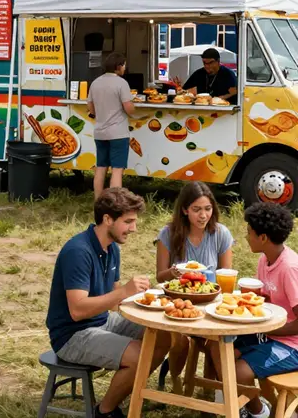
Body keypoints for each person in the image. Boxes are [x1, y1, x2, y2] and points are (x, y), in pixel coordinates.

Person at [47, 188, 170, 418]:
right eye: (128, 221)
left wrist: (151, 296)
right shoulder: (78, 251)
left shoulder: (111, 248)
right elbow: (77, 310)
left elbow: (115, 302)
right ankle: (105, 411)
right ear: (107, 219)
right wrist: (124, 291)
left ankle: (130, 393)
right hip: (72, 335)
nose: (134, 228)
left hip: (103, 321)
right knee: (139, 355)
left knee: (164, 334)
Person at [211, 202, 298, 418]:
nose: (246, 237)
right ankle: (253, 408)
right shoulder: (264, 260)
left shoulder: (290, 268)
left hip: (292, 345)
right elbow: (263, 302)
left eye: (249, 232)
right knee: (217, 346)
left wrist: (267, 328)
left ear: (263, 238)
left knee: (239, 370)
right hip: (268, 333)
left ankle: (256, 411)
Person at [155, 182, 233, 383]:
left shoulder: (220, 233)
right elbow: (159, 276)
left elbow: (226, 275)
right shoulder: (169, 234)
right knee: (180, 342)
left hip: (210, 302)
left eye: (207, 209)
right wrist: (173, 272)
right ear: (184, 210)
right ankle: (175, 380)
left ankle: (210, 392)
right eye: (196, 210)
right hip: (179, 301)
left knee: (216, 343)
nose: (203, 215)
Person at [87, 52, 135, 199]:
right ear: (119, 66)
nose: (125, 68)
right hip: (118, 133)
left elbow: (91, 107)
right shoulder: (121, 83)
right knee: (117, 170)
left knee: (100, 168)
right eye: (124, 65)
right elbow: (129, 108)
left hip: (100, 132)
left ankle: (98, 202)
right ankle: (115, 203)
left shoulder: (95, 82)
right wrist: (134, 108)